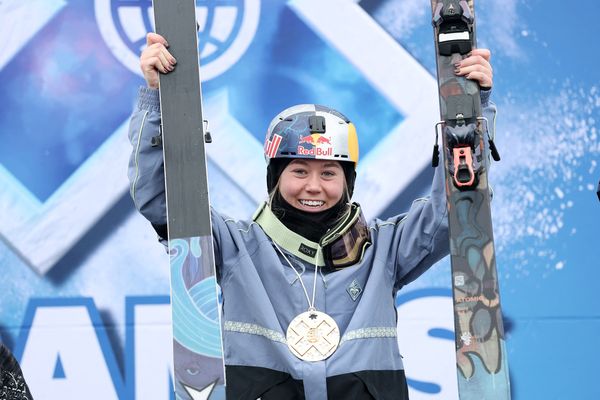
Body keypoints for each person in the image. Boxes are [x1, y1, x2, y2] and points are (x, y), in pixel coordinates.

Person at [128, 33, 495, 399]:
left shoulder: (384, 249)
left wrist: (468, 111)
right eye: (299, 171)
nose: (314, 187)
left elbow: (454, 213)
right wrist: (161, 101)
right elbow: (164, 201)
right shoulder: (235, 246)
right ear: (275, 178)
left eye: (329, 173)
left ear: (348, 182)